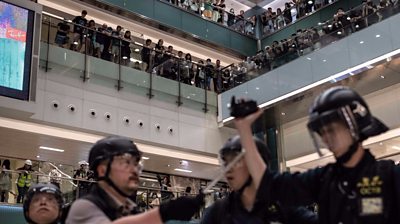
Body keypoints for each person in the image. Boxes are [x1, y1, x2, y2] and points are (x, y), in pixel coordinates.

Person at [235, 86, 400, 224]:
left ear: (354, 125)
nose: (327, 138)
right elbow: (271, 185)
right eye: (322, 132)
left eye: (332, 129)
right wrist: (244, 129)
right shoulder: (323, 180)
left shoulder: (391, 177)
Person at [66, 136, 204, 224]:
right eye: (126, 162)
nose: (134, 170)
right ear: (102, 170)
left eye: (136, 164)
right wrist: (164, 212)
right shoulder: (83, 207)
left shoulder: (132, 210)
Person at [201, 135, 318, 224]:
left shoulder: (282, 206)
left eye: (235, 162)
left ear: (256, 164)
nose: (228, 169)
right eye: (226, 163)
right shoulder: (218, 212)